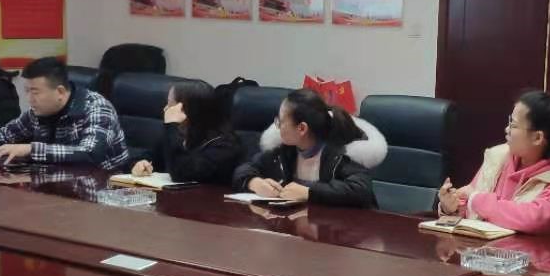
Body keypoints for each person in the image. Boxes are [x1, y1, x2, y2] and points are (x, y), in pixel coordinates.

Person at [437, 89, 550, 236]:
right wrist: (452, 208)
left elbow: (531, 219)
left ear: (537, 138)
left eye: (513, 125)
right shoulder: (498, 156)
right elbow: (469, 202)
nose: (506, 129)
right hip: (481, 250)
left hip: (530, 252)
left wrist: (477, 199)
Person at [233, 89, 385, 208]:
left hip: (338, 232)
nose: (277, 126)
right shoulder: (284, 150)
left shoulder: (341, 154)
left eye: (281, 120)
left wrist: (309, 192)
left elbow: (360, 190)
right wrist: (254, 182)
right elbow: (243, 169)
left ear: (302, 128)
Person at [0, 57, 130, 171]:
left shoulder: (97, 107)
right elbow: (5, 135)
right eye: (27, 91)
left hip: (105, 187)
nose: (29, 99)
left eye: (35, 92)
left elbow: (90, 154)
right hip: (58, 182)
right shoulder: (39, 111)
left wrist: (31, 149)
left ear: (60, 91)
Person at [128, 80, 242, 185]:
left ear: (187, 110)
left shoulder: (225, 146)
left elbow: (181, 173)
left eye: (170, 105)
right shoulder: (182, 133)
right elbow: (146, 158)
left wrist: (172, 125)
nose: (165, 109)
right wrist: (138, 164)